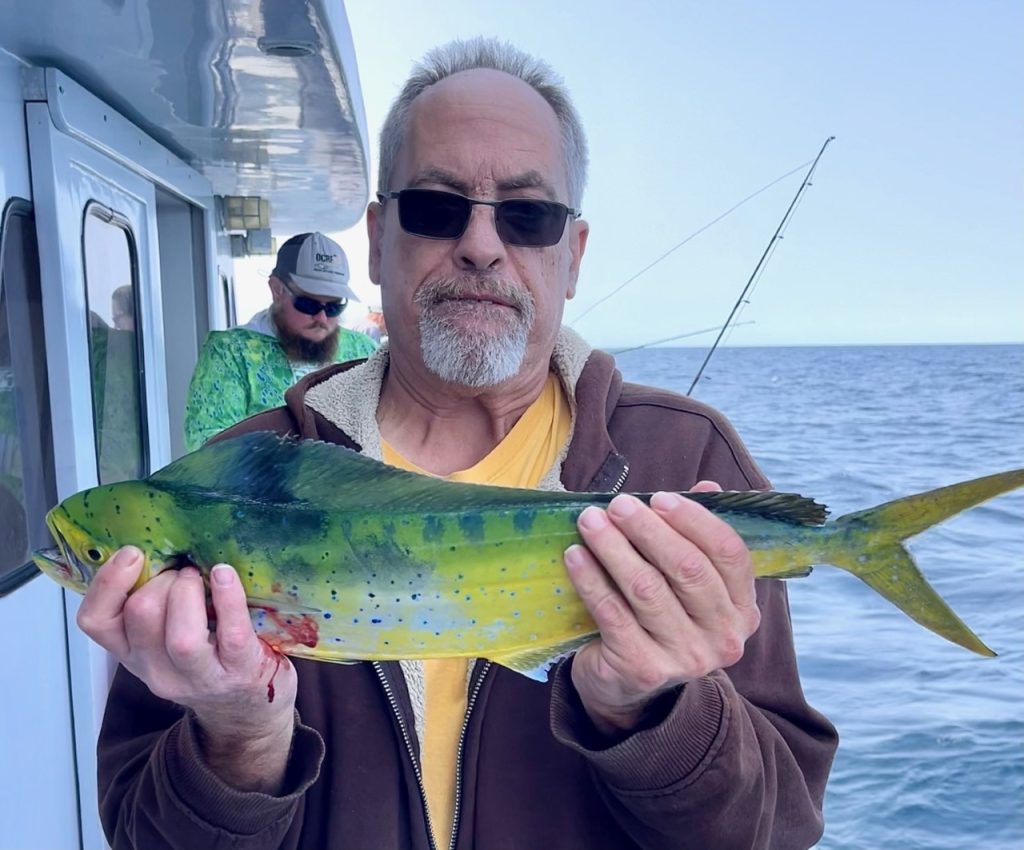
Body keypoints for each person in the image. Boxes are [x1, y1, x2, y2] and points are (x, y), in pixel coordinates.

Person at [78, 38, 838, 850]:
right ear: (376, 239)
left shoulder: (684, 459)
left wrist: (656, 714)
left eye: (527, 214)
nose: (481, 244)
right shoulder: (230, 482)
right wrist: (238, 736)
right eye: (437, 206)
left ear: (571, 255)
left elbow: (777, 832)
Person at [183, 232, 377, 451]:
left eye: (334, 306)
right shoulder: (231, 352)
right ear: (277, 290)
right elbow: (207, 445)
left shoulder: (363, 349)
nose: (322, 318)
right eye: (308, 304)